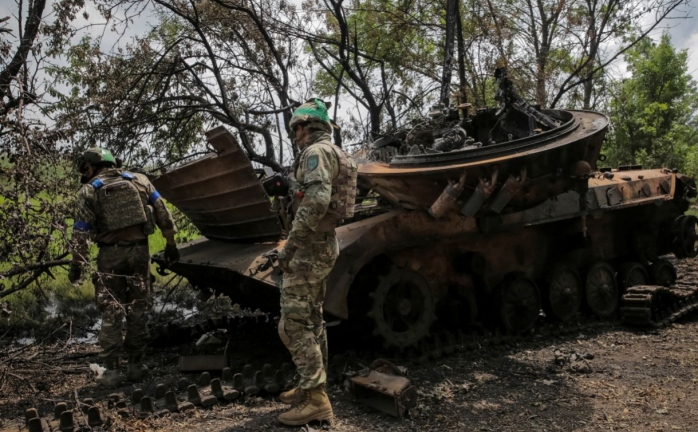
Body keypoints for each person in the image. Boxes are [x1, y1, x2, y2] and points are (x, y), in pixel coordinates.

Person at [276, 99, 358, 426]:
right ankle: (311, 388)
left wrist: (290, 246)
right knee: (312, 318)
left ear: (306, 127)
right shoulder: (335, 151)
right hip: (324, 242)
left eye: (297, 128)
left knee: (293, 322)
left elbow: (316, 201)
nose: (295, 134)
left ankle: (317, 398)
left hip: (309, 247)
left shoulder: (314, 153)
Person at [68, 147, 180, 387]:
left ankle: (111, 372)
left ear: (89, 168)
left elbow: (81, 232)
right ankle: (136, 366)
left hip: (110, 256)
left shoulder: (88, 190)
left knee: (111, 310)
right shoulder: (140, 180)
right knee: (138, 307)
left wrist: (77, 264)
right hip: (141, 252)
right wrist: (170, 245)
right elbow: (164, 214)